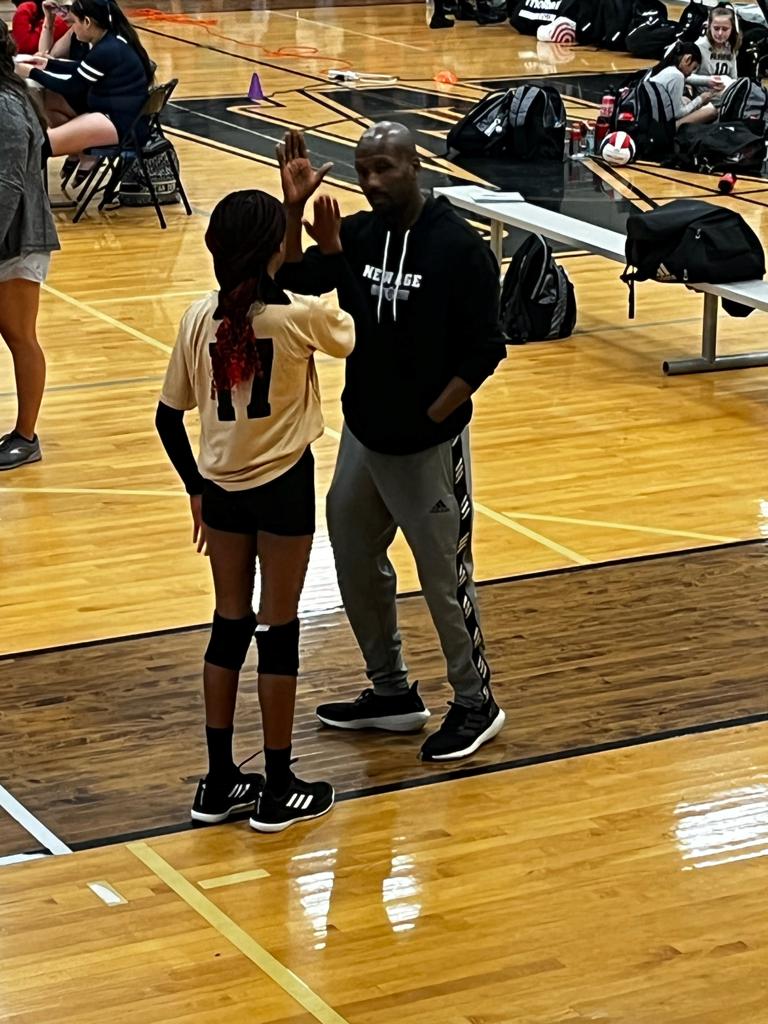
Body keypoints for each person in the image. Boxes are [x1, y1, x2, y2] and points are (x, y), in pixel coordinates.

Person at [276, 124, 507, 763]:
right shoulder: (358, 233)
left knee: (443, 577)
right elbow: (296, 277)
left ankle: (475, 703)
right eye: (363, 170)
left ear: (414, 166)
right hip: (363, 436)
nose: (372, 182)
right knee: (352, 555)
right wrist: (293, 211)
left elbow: (486, 349)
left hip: (426, 446)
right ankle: (391, 691)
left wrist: (430, 413)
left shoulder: (458, 248)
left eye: (384, 168)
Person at [155, 189, 355, 832]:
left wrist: (195, 488)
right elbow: (349, 330)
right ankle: (278, 786)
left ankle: (218, 782)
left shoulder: (197, 317)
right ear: (275, 250)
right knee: (280, 627)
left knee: (229, 623)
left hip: (221, 490)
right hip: (284, 485)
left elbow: (167, 418)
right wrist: (329, 251)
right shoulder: (299, 317)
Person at [0, 19, 59, 471]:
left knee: (19, 335)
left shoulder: (5, 105)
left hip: (18, 237)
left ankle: (26, 435)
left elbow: (7, 184)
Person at [14, 0, 151, 161]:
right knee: (51, 107)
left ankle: (80, 159)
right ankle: (81, 157)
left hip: (120, 123)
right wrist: (47, 64)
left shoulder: (105, 50)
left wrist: (31, 72)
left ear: (87, 22)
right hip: (127, 118)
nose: (72, 28)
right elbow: (82, 67)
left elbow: (70, 87)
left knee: (40, 145)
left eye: (74, 22)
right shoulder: (113, 39)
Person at [648, 41, 716, 127]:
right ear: (688, 59)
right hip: (659, 125)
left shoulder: (668, 68)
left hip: (652, 115)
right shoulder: (677, 76)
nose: (691, 73)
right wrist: (700, 99)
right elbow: (677, 114)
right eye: (693, 68)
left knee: (686, 100)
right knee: (711, 111)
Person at [688, 3, 741, 108]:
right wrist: (708, 81)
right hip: (705, 101)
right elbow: (686, 76)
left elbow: (734, 78)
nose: (720, 33)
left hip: (725, 99)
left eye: (725, 29)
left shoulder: (731, 47)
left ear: (732, 29)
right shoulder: (699, 46)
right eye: (716, 28)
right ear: (709, 27)